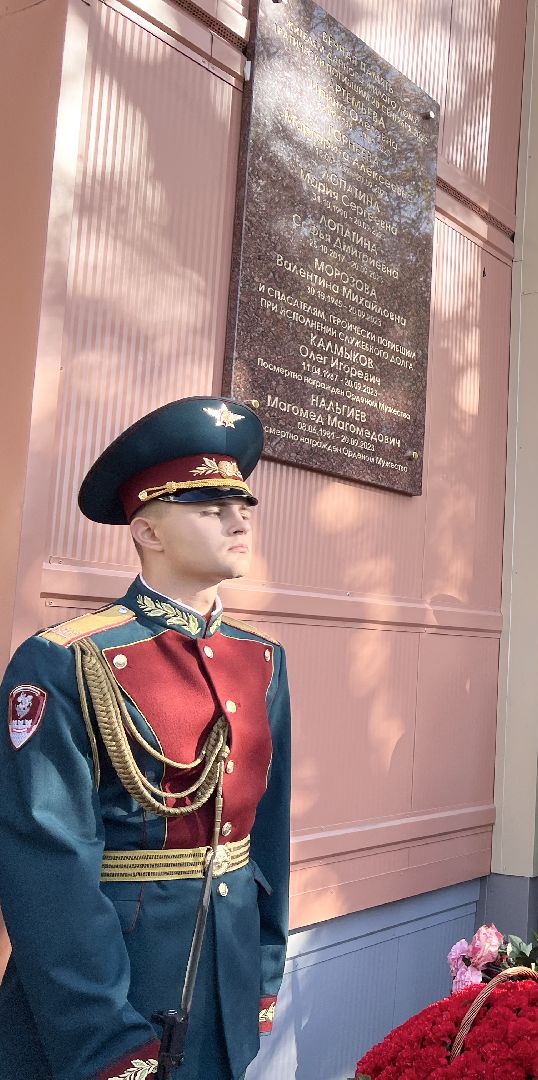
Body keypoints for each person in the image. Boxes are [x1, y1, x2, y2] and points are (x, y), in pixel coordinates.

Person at [0, 397, 292, 1080]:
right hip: (116, 995)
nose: (237, 517)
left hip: (226, 979)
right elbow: (49, 867)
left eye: (242, 503)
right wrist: (104, 1036)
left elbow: (267, 834)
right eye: (206, 506)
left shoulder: (262, 659)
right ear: (147, 531)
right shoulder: (67, 659)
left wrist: (263, 971)